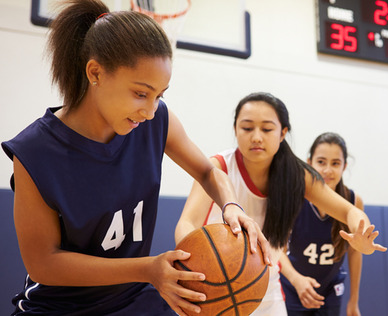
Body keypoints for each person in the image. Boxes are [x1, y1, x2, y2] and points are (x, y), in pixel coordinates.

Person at [1, 1, 270, 315]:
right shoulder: (35, 151)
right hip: (59, 306)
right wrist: (147, 269)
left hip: (133, 299)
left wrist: (232, 205)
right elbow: (44, 264)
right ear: (95, 72)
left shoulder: (156, 121)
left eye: (160, 95)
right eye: (141, 93)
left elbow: (209, 172)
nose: (151, 109)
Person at [175, 92, 387, 315]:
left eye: (267, 129)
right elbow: (186, 224)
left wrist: (361, 233)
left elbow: (349, 210)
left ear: (283, 133)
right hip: (213, 284)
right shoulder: (218, 167)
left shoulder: (297, 175)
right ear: (236, 129)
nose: (256, 137)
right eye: (247, 128)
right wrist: (199, 262)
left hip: (265, 288)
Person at [279, 132, 364, 316]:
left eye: (335, 163)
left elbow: (355, 253)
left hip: (330, 288)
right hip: (294, 285)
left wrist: (354, 300)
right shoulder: (294, 197)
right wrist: (296, 279)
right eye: (321, 162)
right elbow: (277, 247)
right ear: (309, 163)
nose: (328, 170)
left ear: (344, 166)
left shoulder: (353, 201)